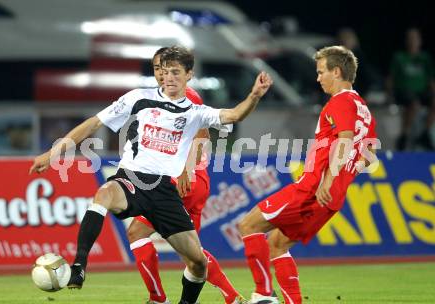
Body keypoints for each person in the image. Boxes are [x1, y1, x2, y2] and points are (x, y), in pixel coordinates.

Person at [29, 45, 273, 304]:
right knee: (104, 194)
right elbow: (94, 123)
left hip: (164, 192)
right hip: (132, 178)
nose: (168, 78)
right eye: (163, 72)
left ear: (189, 75)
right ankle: (80, 264)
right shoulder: (138, 97)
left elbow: (234, 115)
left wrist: (254, 95)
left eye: (175, 72)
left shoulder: (195, 112)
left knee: (197, 262)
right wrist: (53, 153)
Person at [238, 46, 377, 304]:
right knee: (277, 244)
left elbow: (345, 140)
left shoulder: (341, 101)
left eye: (321, 71)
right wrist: (342, 179)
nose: (318, 78)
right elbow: (369, 155)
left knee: (248, 226)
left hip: (313, 188)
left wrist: (329, 178)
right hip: (332, 196)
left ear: (337, 72)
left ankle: (263, 296)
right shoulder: (363, 108)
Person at [126, 47, 247, 304]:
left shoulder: (185, 96)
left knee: (137, 232)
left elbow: (202, 138)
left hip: (183, 180)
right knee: (192, 255)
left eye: (166, 68)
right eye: (157, 68)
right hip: (193, 179)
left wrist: (185, 171)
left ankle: (157, 299)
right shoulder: (165, 97)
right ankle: (232, 296)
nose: (161, 73)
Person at [387, 28, 435, 150]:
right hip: (404, 91)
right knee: (414, 103)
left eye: (415, 39)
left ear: (420, 41)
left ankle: (425, 134)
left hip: (422, 91)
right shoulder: (399, 57)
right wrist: (390, 95)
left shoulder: (425, 58)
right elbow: (391, 78)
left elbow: (430, 79)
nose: (413, 42)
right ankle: (405, 135)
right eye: (410, 39)